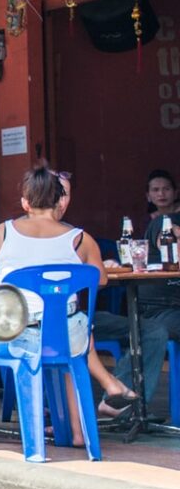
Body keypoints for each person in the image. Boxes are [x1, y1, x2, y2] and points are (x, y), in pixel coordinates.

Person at [0, 164, 137, 417]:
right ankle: (88, 415)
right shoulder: (80, 239)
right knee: (77, 323)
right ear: (60, 200)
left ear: (26, 203)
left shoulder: (3, 233)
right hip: (70, 338)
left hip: (18, 337)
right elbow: (100, 280)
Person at [94, 167, 180, 417]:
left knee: (151, 333)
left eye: (166, 189)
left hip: (164, 310)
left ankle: (125, 403)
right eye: (156, 189)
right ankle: (122, 402)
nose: (162, 194)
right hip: (159, 308)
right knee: (152, 331)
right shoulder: (161, 226)